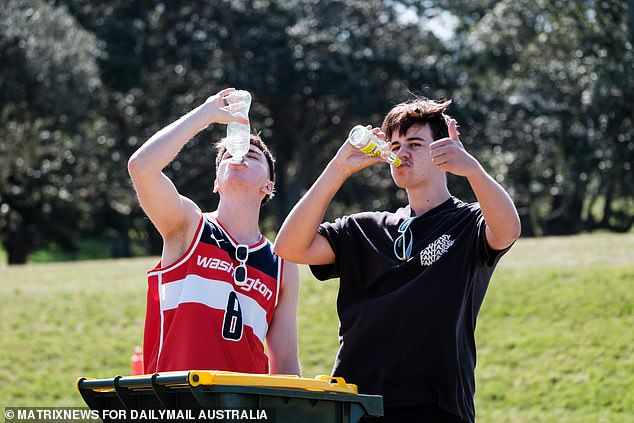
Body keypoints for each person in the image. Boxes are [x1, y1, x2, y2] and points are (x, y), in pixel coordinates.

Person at [274, 97, 521, 422]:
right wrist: (338, 168)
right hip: (356, 405)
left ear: (444, 150)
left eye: (415, 143)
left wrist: (472, 170)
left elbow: (507, 230)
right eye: (394, 144)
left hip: (436, 407)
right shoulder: (361, 229)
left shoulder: (467, 223)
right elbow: (289, 247)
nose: (401, 152)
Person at [128, 88, 300, 376]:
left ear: (268, 187)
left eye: (253, 155)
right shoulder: (189, 226)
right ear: (216, 183)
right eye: (228, 155)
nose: (239, 155)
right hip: (176, 404)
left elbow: (285, 365)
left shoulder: (282, 263)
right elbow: (141, 167)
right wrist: (205, 115)